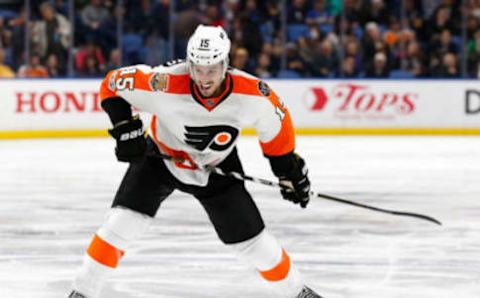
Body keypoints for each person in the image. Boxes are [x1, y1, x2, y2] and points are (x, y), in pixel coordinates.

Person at [68, 25, 321, 298]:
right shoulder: (163, 82)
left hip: (218, 167)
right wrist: (125, 129)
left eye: (211, 69)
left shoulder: (253, 95)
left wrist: (288, 171)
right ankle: (82, 292)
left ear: (226, 64)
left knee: (253, 244)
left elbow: (277, 129)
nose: (204, 78)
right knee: (121, 224)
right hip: (160, 159)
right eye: (197, 68)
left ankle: (297, 292)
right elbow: (112, 85)